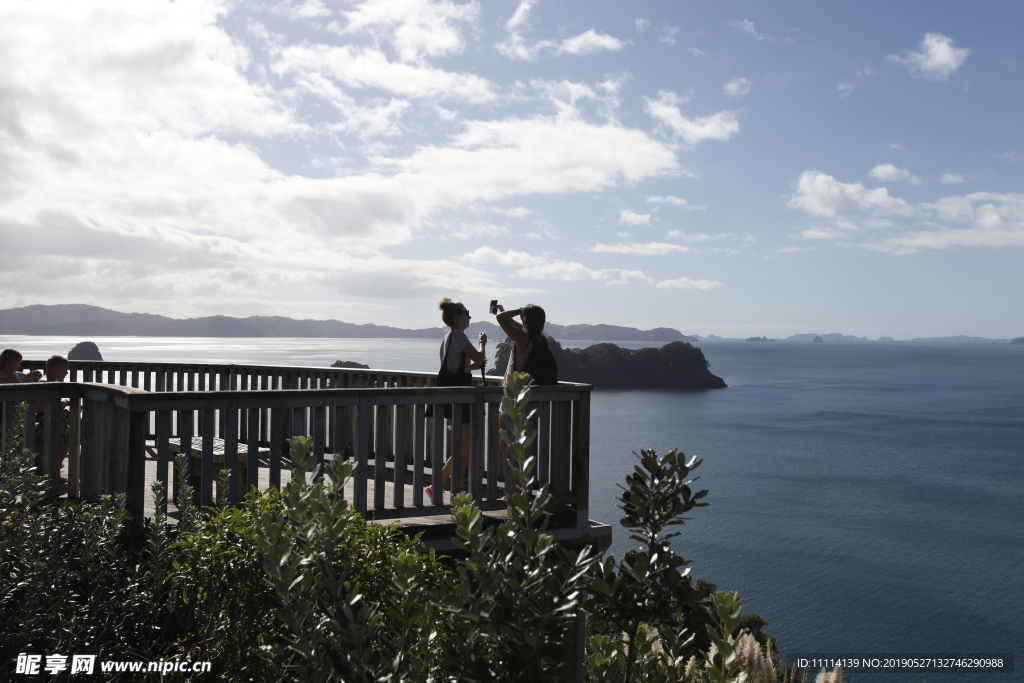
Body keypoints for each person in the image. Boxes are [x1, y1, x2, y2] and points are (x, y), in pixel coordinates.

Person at [426, 298, 486, 501]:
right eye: (466, 312)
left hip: (454, 396)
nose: (469, 316)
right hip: (461, 398)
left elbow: (468, 366)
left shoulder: (448, 338)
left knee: (463, 450)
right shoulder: (459, 336)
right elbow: (479, 360)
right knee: (463, 449)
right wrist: (481, 344)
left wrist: (478, 355)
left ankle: (455, 492)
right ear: (457, 317)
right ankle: (441, 487)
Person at [35, 355, 72, 482]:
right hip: (45, 417)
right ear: (55, 369)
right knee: (68, 434)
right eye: (65, 370)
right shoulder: (46, 383)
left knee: (74, 427)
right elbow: (58, 404)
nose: (67, 373)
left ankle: (55, 467)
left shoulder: (50, 381)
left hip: (50, 415)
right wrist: (67, 401)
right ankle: (54, 470)